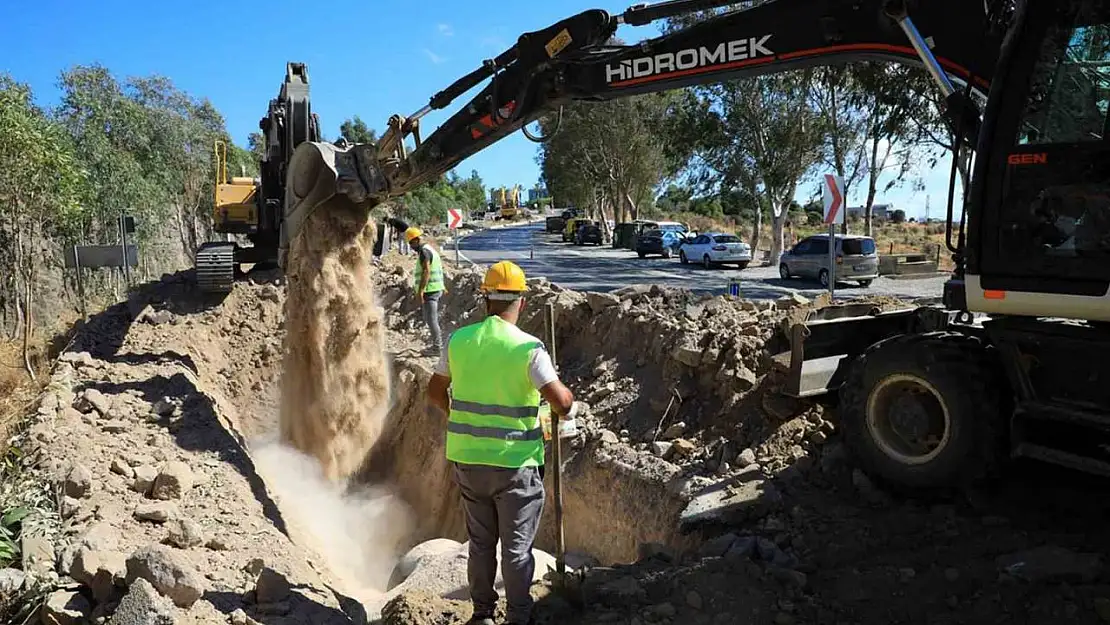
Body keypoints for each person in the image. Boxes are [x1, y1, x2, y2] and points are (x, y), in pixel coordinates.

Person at [426, 261, 576, 625]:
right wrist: (562, 405)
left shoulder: (459, 341)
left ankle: (482, 615)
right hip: (515, 465)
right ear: (521, 302)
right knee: (516, 549)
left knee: (480, 544)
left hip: (469, 461)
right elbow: (562, 402)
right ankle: (519, 617)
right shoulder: (528, 348)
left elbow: (434, 392)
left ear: (484, 299)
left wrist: (464, 421)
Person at [405, 227, 446, 356]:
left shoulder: (424, 252)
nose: (411, 247)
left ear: (416, 240)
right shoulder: (430, 249)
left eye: (411, 243)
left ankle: (437, 348)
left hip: (430, 291)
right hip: (435, 289)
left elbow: (427, 271)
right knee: (430, 319)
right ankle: (437, 346)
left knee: (431, 320)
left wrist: (421, 291)